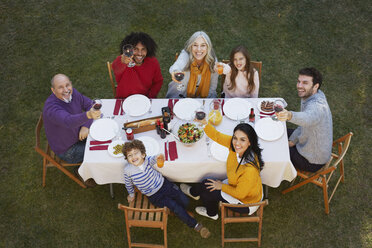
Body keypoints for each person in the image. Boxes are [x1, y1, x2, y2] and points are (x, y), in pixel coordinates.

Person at [122, 140, 211, 238]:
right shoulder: (128, 171)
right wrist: (131, 195)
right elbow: (128, 184)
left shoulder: (147, 160)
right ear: (127, 158)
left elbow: (155, 158)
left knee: (185, 200)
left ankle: (180, 212)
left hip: (165, 185)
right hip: (154, 195)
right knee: (174, 206)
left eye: (136, 153)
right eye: (130, 155)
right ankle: (196, 225)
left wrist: (159, 156)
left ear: (143, 154)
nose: (133, 157)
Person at [181, 120, 264, 220]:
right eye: (235, 138)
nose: (237, 143)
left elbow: (240, 193)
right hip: (237, 185)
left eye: (242, 140)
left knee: (208, 189)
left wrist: (221, 186)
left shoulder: (249, 171)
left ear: (250, 142)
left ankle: (212, 214)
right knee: (207, 183)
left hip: (245, 202)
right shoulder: (234, 145)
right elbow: (217, 136)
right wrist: (204, 123)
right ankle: (194, 193)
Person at [277, 67, 333, 172]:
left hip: (311, 160)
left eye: (305, 83)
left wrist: (289, 115)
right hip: (306, 138)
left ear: (315, 86)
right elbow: (304, 124)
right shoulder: (312, 94)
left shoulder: (317, 106)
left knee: (274, 148)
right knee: (278, 131)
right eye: (299, 82)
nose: (299, 86)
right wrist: (293, 140)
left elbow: (307, 118)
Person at [43, 74, 101, 164]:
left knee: (103, 135)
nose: (66, 90)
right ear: (53, 90)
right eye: (60, 87)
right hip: (68, 150)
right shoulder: (51, 108)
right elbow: (68, 121)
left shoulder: (72, 93)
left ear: (71, 84)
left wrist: (86, 126)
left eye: (67, 85)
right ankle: (84, 173)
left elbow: (90, 104)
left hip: (79, 134)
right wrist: (88, 115)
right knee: (100, 151)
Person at [166, 31, 230, 98]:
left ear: (208, 47)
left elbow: (212, 88)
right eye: (195, 45)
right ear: (191, 46)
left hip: (201, 100)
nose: (199, 49)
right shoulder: (185, 55)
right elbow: (176, 67)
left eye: (203, 45)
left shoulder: (213, 62)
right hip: (178, 96)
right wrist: (175, 72)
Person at [112, 32, 163, 99]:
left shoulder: (153, 62)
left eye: (143, 49)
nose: (140, 53)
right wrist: (122, 61)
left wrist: (150, 97)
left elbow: (158, 81)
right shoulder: (123, 60)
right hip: (123, 99)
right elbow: (116, 67)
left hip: (145, 99)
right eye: (135, 49)